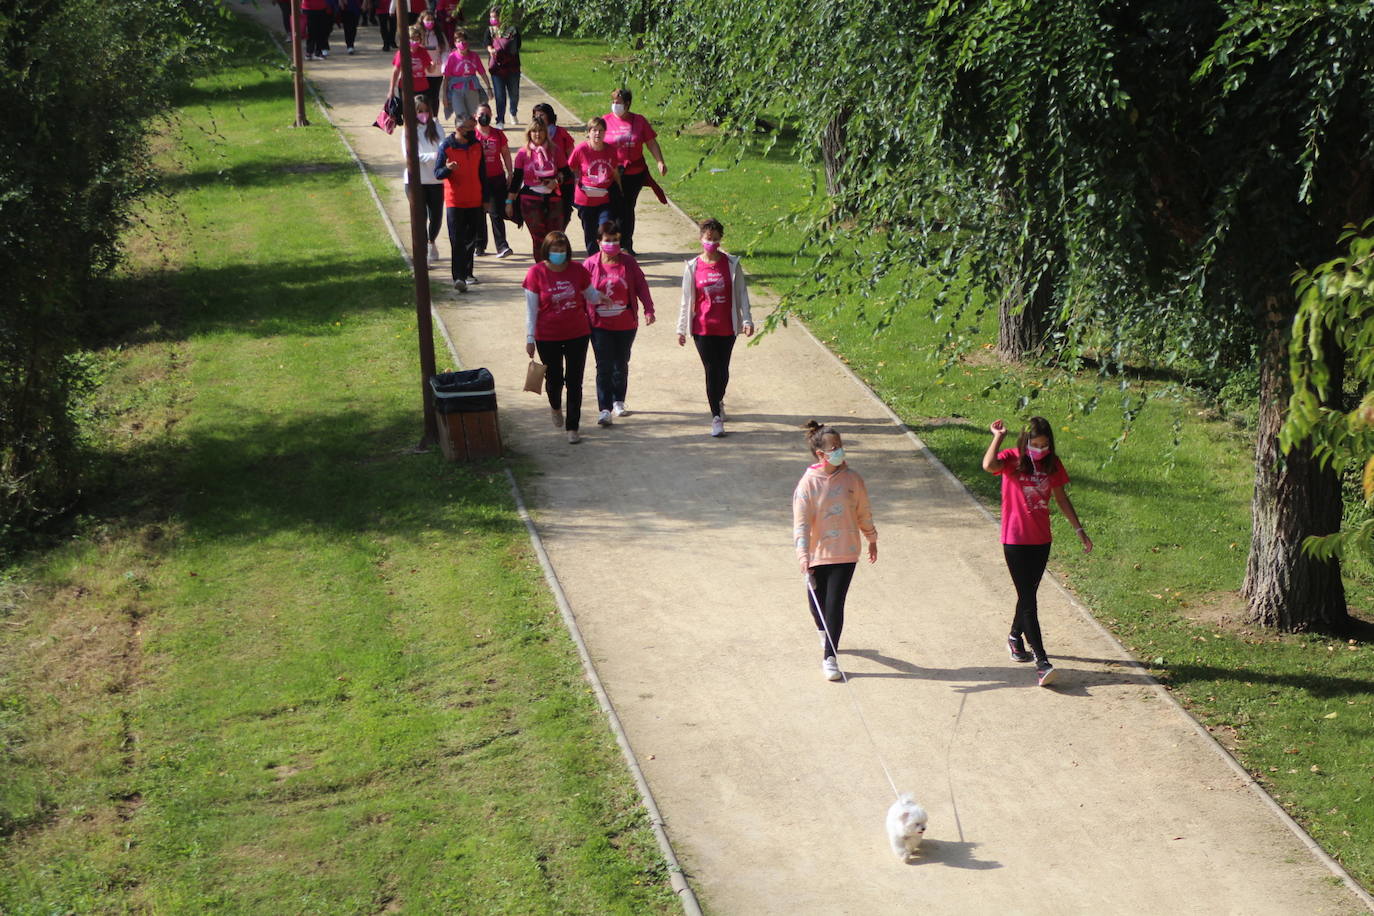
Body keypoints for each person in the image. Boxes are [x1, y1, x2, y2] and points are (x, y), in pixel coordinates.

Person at [981, 416, 1092, 687]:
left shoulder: (1053, 464)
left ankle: (1014, 636)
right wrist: (998, 437)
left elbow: (1061, 498)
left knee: (1027, 592)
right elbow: (988, 465)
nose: (1040, 449)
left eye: (1044, 444)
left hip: (1041, 540)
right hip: (1015, 539)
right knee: (1029, 598)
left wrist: (1079, 530)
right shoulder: (1012, 460)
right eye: (1035, 443)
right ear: (1025, 441)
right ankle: (1042, 662)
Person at [793, 421, 878, 681]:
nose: (840, 451)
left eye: (841, 446)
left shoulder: (853, 480)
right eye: (834, 448)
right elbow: (802, 522)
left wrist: (871, 537)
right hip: (818, 554)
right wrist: (803, 555)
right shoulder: (807, 484)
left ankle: (830, 656)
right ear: (821, 454)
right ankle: (824, 630)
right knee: (816, 602)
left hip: (846, 551)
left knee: (834, 604)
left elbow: (862, 511)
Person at [676, 218, 754, 437]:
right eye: (708, 239)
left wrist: (747, 320)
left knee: (723, 370)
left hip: (727, 327)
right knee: (711, 370)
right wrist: (681, 328)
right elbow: (686, 300)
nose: (712, 243)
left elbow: (741, 294)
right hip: (702, 328)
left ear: (721, 240)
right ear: (701, 239)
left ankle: (719, 399)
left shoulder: (731, 264)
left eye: (716, 239)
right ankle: (716, 417)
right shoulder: (692, 267)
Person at [522, 231, 601, 444]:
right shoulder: (535, 273)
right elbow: (531, 310)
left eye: (562, 250)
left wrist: (603, 297)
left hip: (578, 333)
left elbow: (589, 293)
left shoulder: (577, 270)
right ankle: (555, 406)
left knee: (575, 381)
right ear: (547, 251)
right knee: (554, 379)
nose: (559, 254)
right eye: (555, 250)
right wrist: (530, 337)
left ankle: (573, 427)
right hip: (548, 336)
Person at [583, 220, 653, 426]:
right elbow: (581, 292)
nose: (612, 244)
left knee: (620, 363)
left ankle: (618, 401)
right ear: (599, 242)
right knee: (603, 365)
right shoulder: (590, 265)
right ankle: (604, 408)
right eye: (608, 240)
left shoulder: (628, 263)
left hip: (625, 323)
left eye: (615, 240)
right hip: (599, 325)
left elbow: (641, 285)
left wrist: (649, 308)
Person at [603, 88, 667, 255]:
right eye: (613, 102)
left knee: (627, 207)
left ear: (628, 104)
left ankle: (625, 245)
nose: (615, 105)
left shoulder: (639, 121)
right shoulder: (605, 121)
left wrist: (660, 161)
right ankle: (611, 242)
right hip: (612, 174)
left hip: (634, 173)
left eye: (619, 103)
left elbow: (651, 142)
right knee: (613, 208)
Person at [434, 115, 485, 292]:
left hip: (475, 200)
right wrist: (448, 169)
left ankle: (468, 273)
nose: (473, 131)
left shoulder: (477, 145)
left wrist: (485, 199)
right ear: (459, 129)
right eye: (470, 128)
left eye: (474, 127)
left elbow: (482, 174)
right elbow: (437, 173)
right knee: (457, 240)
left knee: (471, 240)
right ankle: (459, 277)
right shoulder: (446, 147)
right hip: (455, 202)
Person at [506, 122, 570, 255]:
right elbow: (517, 179)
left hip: (553, 197)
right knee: (538, 238)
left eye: (541, 130)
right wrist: (509, 202)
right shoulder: (523, 153)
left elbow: (566, 172)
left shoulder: (555, 150)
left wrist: (556, 180)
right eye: (534, 131)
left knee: (555, 236)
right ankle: (541, 269)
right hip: (530, 199)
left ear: (546, 133)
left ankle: (555, 267)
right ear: (529, 134)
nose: (537, 134)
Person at [568, 117, 621, 256]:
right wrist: (576, 183)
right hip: (585, 198)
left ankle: (607, 255)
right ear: (589, 132)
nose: (597, 134)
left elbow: (615, 171)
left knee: (606, 227)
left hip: (605, 197)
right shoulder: (581, 149)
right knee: (590, 231)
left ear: (605, 133)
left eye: (601, 131)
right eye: (594, 130)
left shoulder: (611, 150)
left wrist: (620, 189)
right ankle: (593, 258)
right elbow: (571, 168)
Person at [402, 95, 446, 264]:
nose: (424, 114)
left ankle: (431, 241)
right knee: (420, 217)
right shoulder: (409, 130)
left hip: (435, 180)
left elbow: (443, 146)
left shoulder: (436, 126)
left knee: (436, 217)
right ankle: (421, 254)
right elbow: (410, 155)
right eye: (420, 111)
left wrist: (437, 156)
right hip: (415, 181)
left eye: (426, 110)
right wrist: (432, 156)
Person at [474, 103, 514, 259]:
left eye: (487, 114)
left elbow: (505, 153)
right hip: (477, 179)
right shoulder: (472, 135)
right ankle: (479, 245)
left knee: (496, 212)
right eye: (481, 113)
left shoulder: (498, 134)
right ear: (475, 116)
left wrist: (510, 172)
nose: (484, 116)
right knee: (478, 213)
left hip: (496, 178)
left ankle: (502, 246)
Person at [532, 104, 576, 224]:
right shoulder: (533, 134)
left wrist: (562, 175)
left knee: (563, 214)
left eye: (542, 115)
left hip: (563, 180)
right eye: (536, 115)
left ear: (549, 116)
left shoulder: (561, 132)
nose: (539, 117)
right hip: (542, 181)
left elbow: (572, 156)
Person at [441, 30, 494, 126]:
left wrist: (489, 88)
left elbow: (482, 73)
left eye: (464, 41)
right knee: (461, 117)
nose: (462, 43)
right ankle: (462, 137)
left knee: (473, 116)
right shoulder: (452, 57)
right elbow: (446, 78)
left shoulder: (474, 56)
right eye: (458, 41)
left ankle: (474, 137)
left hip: (472, 89)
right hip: (456, 91)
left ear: (467, 42)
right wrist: (444, 95)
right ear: (455, 43)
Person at [387, 26, 433, 111]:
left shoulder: (423, 51)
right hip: (406, 88)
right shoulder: (402, 52)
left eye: (417, 39)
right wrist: (391, 90)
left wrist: (433, 65)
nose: (415, 41)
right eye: (412, 39)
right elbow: (396, 71)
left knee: (421, 112)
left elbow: (430, 69)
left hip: (422, 87)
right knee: (407, 113)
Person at [416, 8, 451, 112]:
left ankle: (435, 118)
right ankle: (423, 117)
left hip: (437, 71)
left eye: (432, 20)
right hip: (422, 71)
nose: (430, 22)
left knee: (434, 96)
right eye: (427, 20)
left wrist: (444, 63)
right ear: (422, 20)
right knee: (423, 96)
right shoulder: (418, 35)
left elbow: (446, 50)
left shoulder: (439, 34)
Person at [487, 20, 521, 128]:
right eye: (491, 16)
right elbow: (487, 43)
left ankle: (513, 112)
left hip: (512, 67)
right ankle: (500, 120)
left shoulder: (513, 30)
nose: (493, 19)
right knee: (500, 95)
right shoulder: (490, 30)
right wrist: (491, 50)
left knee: (514, 93)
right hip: (497, 68)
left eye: (495, 16)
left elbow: (517, 46)